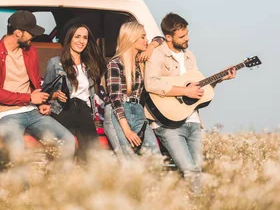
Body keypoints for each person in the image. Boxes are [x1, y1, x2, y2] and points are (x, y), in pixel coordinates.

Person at [144, 13, 235, 190]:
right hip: (168, 124)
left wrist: (219, 79)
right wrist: (185, 90)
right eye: (182, 36)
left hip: (193, 121)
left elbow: (198, 87)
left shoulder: (189, 56)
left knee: (196, 171)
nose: (187, 39)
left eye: (187, 34)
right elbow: (151, 83)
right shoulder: (157, 55)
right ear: (168, 37)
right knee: (190, 171)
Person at [0, 10, 76, 167]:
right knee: (17, 152)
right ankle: (24, 191)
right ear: (18, 33)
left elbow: (35, 84)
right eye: (31, 32)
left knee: (67, 140)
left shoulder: (30, 51)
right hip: (6, 114)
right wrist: (30, 98)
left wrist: (41, 103)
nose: (34, 36)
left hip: (32, 111)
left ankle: (58, 187)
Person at [43, 21, 107, 162]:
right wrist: (55, 95)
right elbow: (44, 94)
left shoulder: (90, 64)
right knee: (63, 156)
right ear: (69, 38)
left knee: (92, 156)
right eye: (77, 36)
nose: (81, 41)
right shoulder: (55, 63)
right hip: (62, 110)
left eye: (85, 38)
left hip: (84, 110)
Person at [103, 22, 164, 160]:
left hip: (137, 110)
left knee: (156, 160)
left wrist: (151, 47)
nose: (146, 40)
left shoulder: (139, 63)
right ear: (131, 38)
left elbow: (161, 39)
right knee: (128, 161)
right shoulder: (115, 63)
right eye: (142, 37)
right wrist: (127, 130)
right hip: (117, 112)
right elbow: (115, 99)